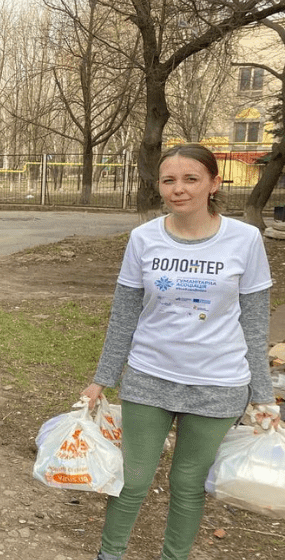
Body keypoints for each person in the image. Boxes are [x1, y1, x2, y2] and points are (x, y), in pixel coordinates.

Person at [81, 143, 281, 560]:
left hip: (219, 386)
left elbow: (255, 321)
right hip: (149, 378)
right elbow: (124, 315)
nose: (179, 189)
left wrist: (262, 394)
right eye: (169, 180)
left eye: (191, 179)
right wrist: (102, 379)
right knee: (131, 481)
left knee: (188, 485)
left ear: (213, 183)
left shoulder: (244, 240)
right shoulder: (143, 238)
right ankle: (108, 555)